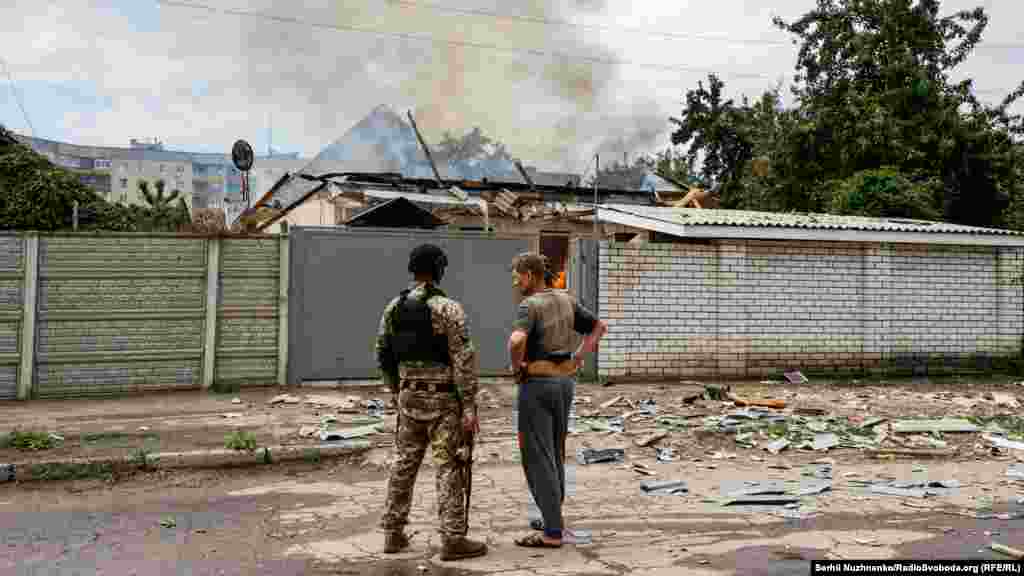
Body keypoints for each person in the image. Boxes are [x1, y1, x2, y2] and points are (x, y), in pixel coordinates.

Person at [375, 243, 487, 561]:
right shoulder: (448, 308)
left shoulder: (392, 307)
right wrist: (469, 405)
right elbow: (463, 358)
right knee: (448, 466)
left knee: (403, 465)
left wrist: (396, 391)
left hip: (408, 397)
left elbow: (382, 352)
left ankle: (393, 534)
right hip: (443, 402)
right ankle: (452, 539)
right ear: (439, 269)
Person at [507, 252, 607, 548]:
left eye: (517, 275)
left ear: (529, 274)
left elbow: (516, 340)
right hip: (564, 383)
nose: (516, 281)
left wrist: (516, 367)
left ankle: (552, 532)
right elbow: (598, 327)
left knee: (538, 456)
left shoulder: (529, 305)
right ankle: (553, 517)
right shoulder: (566, 300)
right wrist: (578, 357)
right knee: (555, 450)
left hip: (537, 384)